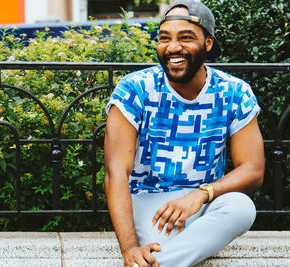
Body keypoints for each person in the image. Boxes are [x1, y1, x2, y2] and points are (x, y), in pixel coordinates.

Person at [104, 0, 265, 266]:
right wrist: (130, 248)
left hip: (204, 202)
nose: (173, 47)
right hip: (149, 203)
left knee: (241, 207)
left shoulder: (234, 92)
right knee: (163, 244)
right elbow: (115, 171)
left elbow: (253, 169)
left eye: (186, 38)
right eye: (164, 38)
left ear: (208, 44)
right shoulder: (135, 89)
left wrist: (200, 194)